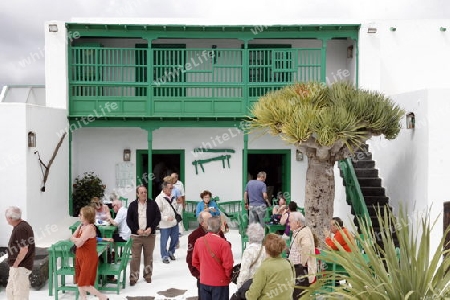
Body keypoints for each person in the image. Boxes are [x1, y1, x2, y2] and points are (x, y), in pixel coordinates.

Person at [70, 206, 109, 300]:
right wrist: (75, 239)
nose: (79, 216)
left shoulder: (90, 228)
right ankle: (84, 298)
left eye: (81, 214)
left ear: (87, 216)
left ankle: (102, 297)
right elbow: (72, 237)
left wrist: (74, 239)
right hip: (80, 256)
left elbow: (78, 243)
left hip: (88, 258)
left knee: (84, 283)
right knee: (79, 281)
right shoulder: (81, 226)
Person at [187, 211, 227, 300]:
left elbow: (226, 248)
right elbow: (191, 259)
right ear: (202, 223)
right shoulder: (194, 236)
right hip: (204, 278)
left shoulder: (218, 231)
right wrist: (198, 275)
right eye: (209, 219)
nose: (212, 220)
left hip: (218, 277)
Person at [126, 185, 161, 286]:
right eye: (141, 192)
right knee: (135, 257)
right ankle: (133, 277)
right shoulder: (132, 205)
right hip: (136, 236)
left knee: (148, 257)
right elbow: (129, 220)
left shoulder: (153, 204)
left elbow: (158, 217)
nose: (144, 194)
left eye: (145, 192)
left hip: (149, 235)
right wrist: (137, 230)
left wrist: (151, 228)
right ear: (137, 194)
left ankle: (148, 275)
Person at [245, 233, 294, 300]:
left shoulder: (264, 268)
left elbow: (253, 293)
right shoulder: (288, 263)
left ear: (266, 249)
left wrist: (246, 294)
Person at [5, 206, 35, 300]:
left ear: (11, 218)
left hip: (20, 267)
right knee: (11, 292)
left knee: (19, 295)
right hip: (18, 267)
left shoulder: (20, 229)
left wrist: (16, 264)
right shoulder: (21, 226)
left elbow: (24, 249)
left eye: (6, 218)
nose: (6, 220)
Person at [230, 223, 266, 300]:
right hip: (262, 284)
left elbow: (244, 271)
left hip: (250, 285)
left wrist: (239, 287)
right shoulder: (265, 249)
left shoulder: (249, 251)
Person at [288, 211, 316, 299]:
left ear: (297, 223)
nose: (288, 224)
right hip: (298, 268)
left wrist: (302, 263)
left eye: (290, 221)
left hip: (301, 269)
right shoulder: (300, 231)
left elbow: (307, 246)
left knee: (298, 295)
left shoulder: (303, 232)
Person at [155, 181, 180, 264]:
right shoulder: (159, 198)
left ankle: (171, 252)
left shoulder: (173, 196)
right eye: (170, 188)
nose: (172, 190)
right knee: (164, 241)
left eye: (172, 188)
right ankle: (164, 256)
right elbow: (157, 212)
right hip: (165, 224)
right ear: (164, 188)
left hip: (174, 222)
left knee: (175, 238)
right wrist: (166, 218)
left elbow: (176, 207)